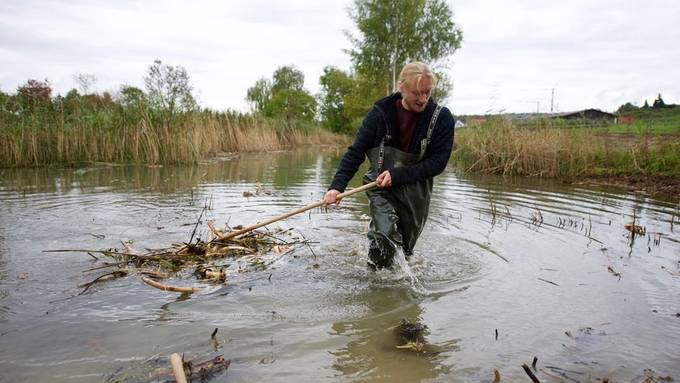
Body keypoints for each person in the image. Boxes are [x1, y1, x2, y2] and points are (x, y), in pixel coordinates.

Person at [324, 61, 455, 270]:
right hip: (379, 185)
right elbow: (356, 151)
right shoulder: (379, 114)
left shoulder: (442, 118)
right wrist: (336, 187)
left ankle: (395, 288)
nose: (423, 100)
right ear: (401, 87)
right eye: (416, 93)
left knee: (405, 251)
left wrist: (399, 175)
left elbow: (438, 163)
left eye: (427, 93)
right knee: (384, 238)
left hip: (416, 191)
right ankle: (375, 287)